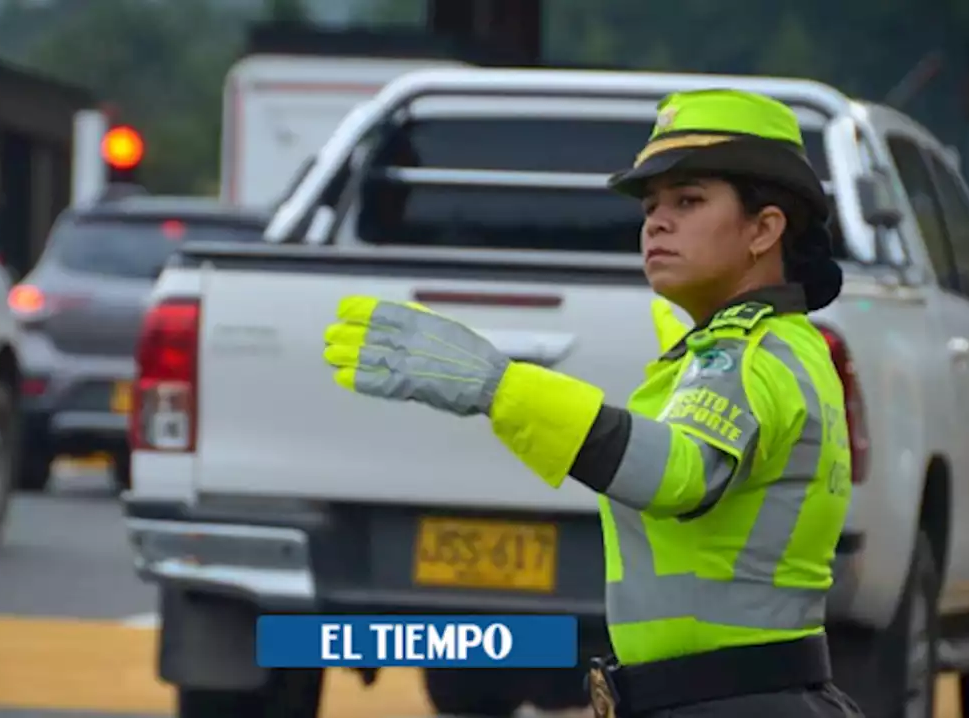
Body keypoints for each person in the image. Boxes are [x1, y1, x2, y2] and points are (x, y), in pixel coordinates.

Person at [321, 88, 865, 717]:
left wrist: (501, 387)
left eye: (689, 201)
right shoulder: (757, 346)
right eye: (651, 205)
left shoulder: (748, 356)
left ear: (765, 229)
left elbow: (675, 475)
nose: (657, 221)